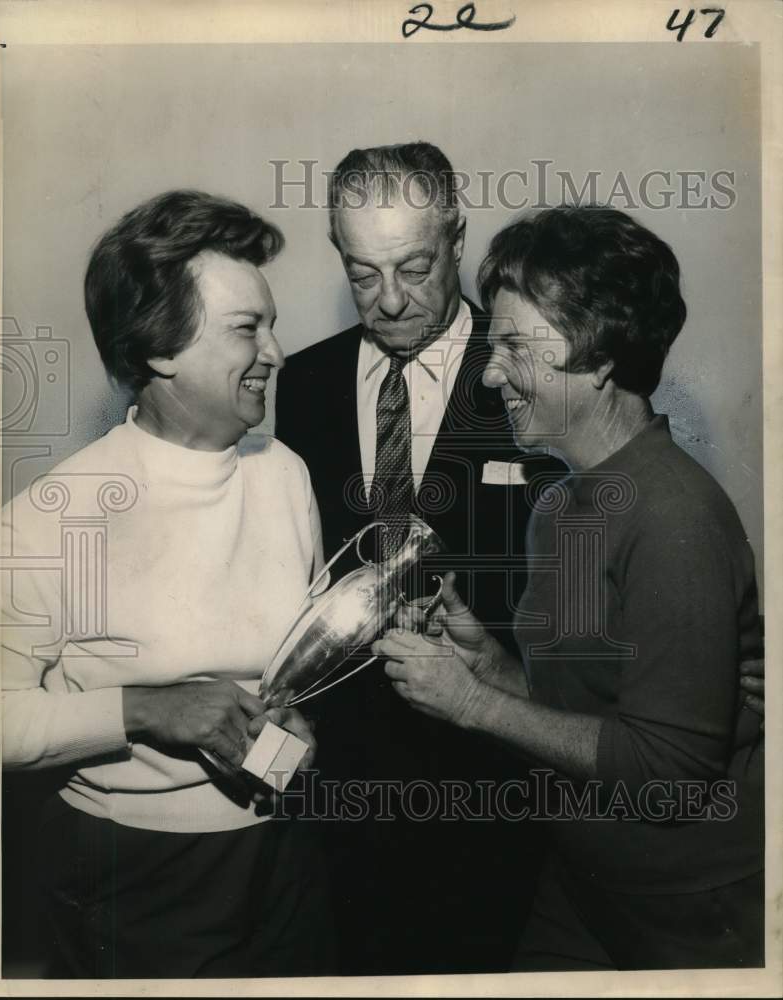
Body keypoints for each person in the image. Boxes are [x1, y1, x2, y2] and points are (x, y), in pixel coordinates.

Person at [374, 206, 764, 969]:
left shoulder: (674, 518)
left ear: (598, 359)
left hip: (687, 903)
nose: (488, 376)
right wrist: (490, 665)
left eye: (514, 347)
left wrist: (472, 704)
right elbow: (588, 717)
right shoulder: (558, 503)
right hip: (583, 877)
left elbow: (669, 772)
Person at [0, 190, 335, 978]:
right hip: (133, 876)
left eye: (271, 323)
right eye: (247, 329)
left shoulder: (286, 476)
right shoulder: (56, 513)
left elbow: (297, 663)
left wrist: (297, 719)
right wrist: (152, 709)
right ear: (158, 348)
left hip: (286, 855)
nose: (277, 352)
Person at [275, 142, 555, 974]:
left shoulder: (528, 379)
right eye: (363, 274)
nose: (389, 301)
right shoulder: (304, 383)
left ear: (458, 238)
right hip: (339, 790)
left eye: (413, 267)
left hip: (490, 787)